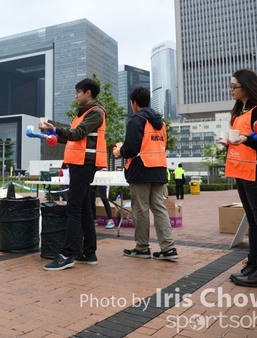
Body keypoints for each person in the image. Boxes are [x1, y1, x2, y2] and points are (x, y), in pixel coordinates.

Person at [219, 68, 257, 288]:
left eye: (234, 86)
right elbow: (243, 140)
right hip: (241, 170)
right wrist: (229, 143)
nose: (231, 89)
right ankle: (253, 265)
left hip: (256, 170)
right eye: (230, 85)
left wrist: (246, 139)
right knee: (253, 221)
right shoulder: (239, 109)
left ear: (246, 86)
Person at [39, 78, 106, 271]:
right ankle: (89, 252)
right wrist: (54, 137)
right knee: (84, 208)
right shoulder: (83, 113)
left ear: (88, 93)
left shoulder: (96, 112)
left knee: (74, 207)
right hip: (79, 164)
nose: (76, 96)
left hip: (84, 165)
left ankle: (67, 254)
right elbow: (74, 138)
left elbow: (78, 134)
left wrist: (54, 128)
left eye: (78, 92)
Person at [113, 86, 178, 261]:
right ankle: (168, 248)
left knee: (140, 210)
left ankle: (142, 248)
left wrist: (119, 150)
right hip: (158, 169)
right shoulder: (160, 123)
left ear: (134, 103)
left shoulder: (136, 120)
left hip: (141, 169)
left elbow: (131, 148)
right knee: (159, 208)